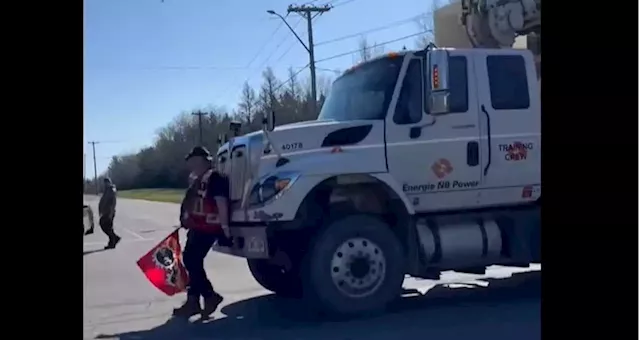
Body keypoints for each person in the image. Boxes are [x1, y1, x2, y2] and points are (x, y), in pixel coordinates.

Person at [173, 146, 230, 319]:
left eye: (194, 161)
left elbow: (221, 203)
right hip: (197, 227)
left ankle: (208, 296)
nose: (191, 165)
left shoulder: (216, 178)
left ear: (203, 161)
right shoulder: (197, 180)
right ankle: (194, 301)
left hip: (209, 228)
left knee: (191, 260)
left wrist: (226, 229)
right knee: (190, 260)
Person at [99, 177, 121, 249]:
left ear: (109, 182)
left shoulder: (111, 189)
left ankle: (113, 241)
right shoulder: (106, 190)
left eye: (107, 182)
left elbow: (113, 202)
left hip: (109, 212)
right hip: (105, 212)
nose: (105, 184)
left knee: (106, 226)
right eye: (104, 183)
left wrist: (111, 213)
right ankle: (114, 239)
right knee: (107, 227)